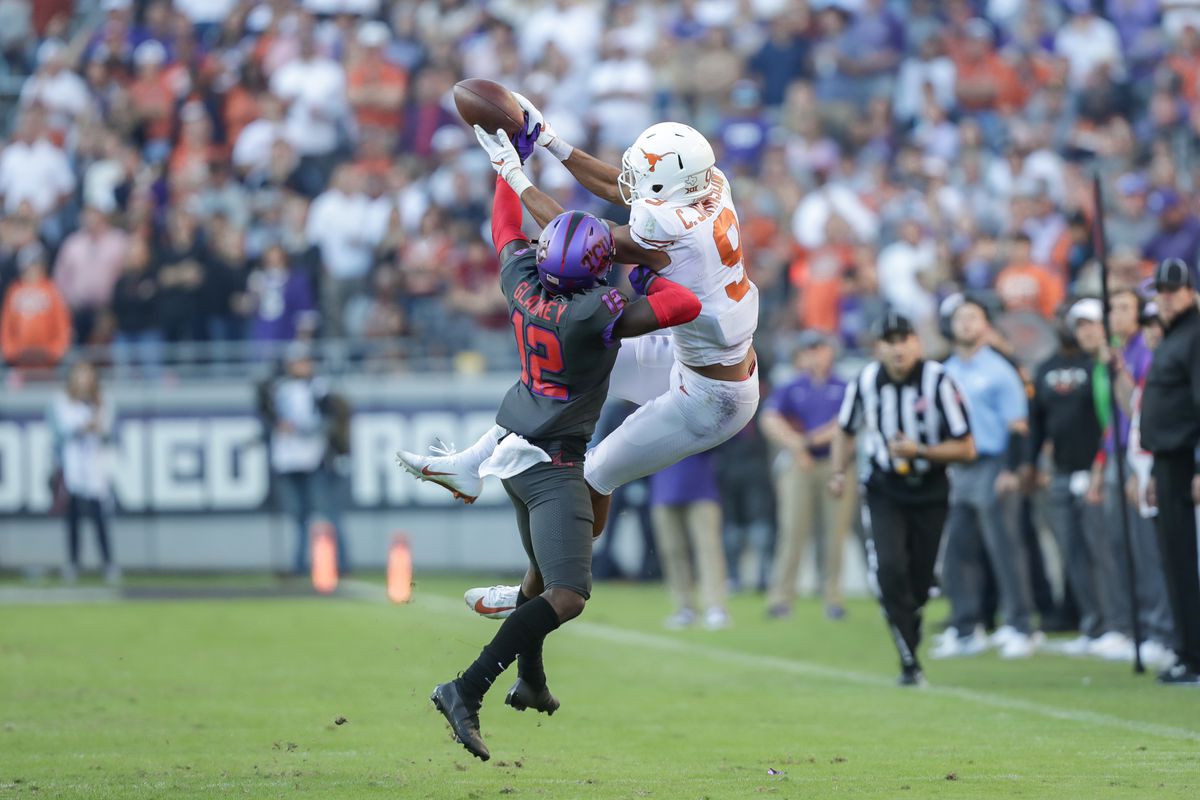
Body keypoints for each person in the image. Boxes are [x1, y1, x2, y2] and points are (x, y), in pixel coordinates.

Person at [400, 101, 760, 618]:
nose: (634, 179)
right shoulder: (710, 184)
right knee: (561, 373)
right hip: (694, 353)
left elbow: (577, 238)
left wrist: (514, 176)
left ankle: (532, 592)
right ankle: (471, 464)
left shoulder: (676, 226)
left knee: (592, 477)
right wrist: (550, 140)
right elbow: (622, 187)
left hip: (711, 395)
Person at [424, 134, 703, 762]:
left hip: (515, 456)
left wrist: (507, 171)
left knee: (537, 582)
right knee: (568, 594)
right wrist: (646, 268)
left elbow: (504, 230)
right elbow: (684, 302)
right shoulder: (590, 314)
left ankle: (532, 680)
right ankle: (465, 688)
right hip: (554, 467)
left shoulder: (525, 279)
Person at [829, 311, 975, 686]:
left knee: (921, 578)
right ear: (879, 348)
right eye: (890, 341)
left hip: (930, 488)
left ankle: (910, 629)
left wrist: (920, 451)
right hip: (883, 488)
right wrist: (838, 472)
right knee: (889, 568)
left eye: (904, 339)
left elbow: (966, 447)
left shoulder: (939, 381)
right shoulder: (864, 381)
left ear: (917, 343)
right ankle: (909, 660)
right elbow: (845, 430)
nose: (898, 348)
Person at [933, 297, 1038, 659]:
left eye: (973, 318)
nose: (966, 324)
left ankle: (1020, 625)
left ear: (985, 325)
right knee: (959, 551)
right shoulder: (946, 370)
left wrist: (1011, 469)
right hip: (959, 467)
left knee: (1005, 548)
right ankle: (966, 627)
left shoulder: (999, 370)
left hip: (994, 464)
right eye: (960, 318)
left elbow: (1018, 425)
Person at [1025, 299, 1125, 658]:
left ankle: (1117, 624)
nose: (1081, 331)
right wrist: (1032, 462)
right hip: (1062, 472)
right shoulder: (1048, 366)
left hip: (1096, 469)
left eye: (1088, 324)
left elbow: (1112, 420)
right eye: (1075, 324)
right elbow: (1036, 420)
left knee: (1103, 552)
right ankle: (1093, 624)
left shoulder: (1102, 364)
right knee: (1073, 553)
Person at [761, 330, 855, 621]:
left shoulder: (844, 386)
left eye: (819, 348)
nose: (814, 355)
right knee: (792, 531)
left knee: (834, 534)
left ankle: (832, 597)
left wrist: (808, 441)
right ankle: (781, 597)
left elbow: (845, 425)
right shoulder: (792, 386)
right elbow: (769, 419)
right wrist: (795, 445)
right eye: (808, 350)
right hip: (800, 464)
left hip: (836, 465)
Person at [1139, 258, 1200, 685]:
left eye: (1173, 290)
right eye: (1160, 291)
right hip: (1167, 461)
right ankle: (1186, 649)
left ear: (1192, 293)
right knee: (1175, 560)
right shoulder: (1176, 337)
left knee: (1185, 562)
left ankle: (1193, 654)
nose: (1166, 298)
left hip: (1185, 461)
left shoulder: (1194, 336)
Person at [257, 343, 348, 576]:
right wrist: (277, 423)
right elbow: (265, 410)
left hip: (314, 457)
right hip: (287, 459)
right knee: (298, 516)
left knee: (325, 513)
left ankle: (340, 563)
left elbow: (330, 420)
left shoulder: (319, 388)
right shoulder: (278, 387)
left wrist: (302, 429)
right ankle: (299, 565)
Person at [48, 361, 118, 584]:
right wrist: (83, 427)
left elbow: (106, 429)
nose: (83, 380)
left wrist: (94, 423)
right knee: (74, 518)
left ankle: (108, 564)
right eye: (79, 375)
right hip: (73, 467)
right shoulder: (61, 401)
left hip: (95, 466)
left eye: (87, 375)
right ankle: (73, 563)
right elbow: (62, 431)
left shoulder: (101, 400)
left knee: (99, 518)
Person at [649, 452, 729, 630]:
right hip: (664, 487)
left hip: (701, 486)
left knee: (708, 548)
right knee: (672, 551)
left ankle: (715, 606)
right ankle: (685, 607)